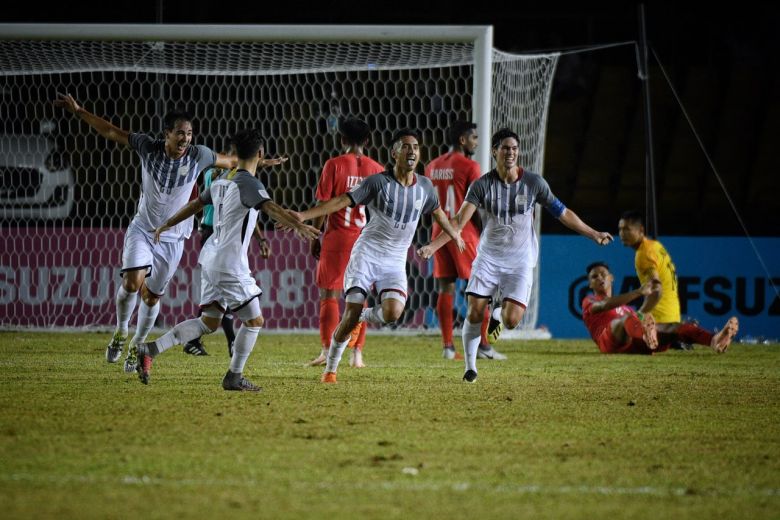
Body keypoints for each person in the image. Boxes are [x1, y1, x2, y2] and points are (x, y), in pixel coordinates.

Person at [53, 93, 237, 370]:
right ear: (166, 134)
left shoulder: (200, 155)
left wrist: (256, 163)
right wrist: (79, 111)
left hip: (174, 238)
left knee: (151, 296)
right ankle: (120, 331)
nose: (185, 139)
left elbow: (232, 162)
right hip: (143, 230)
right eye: (179, 133)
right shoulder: (147, 147)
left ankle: (137, 345)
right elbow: (111, 131)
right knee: (131, 283)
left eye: (189, 133)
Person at [418, 128, 613, 383]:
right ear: (494, 151)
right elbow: (458, 221)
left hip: (520, 261)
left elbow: (563, 212)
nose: (510, 153)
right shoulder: (482, 185)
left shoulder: (534, 183)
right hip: (488, 257)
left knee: (510, 321)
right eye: (505, 148)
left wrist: (593, 233)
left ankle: (498, 312)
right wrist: (433, 246)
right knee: (475, 311)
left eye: (514, 148)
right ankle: (470, 367)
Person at [134, 128, 320, 389]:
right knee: (254, 321)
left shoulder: (221, 180)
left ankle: (151, 349)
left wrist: (167, 223)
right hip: (229, 263)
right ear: (260, 153)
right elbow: (270, 208)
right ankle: (234, 376)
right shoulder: (250, 184)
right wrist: (299, 225)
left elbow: (195, 204)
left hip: (210, 257)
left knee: (208, 321)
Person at [289, 129, 465, 384]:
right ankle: (331, 368)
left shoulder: (425, 186)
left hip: (394, 261)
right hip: (367, 255)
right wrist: (305, 216)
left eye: (415, 146)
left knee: (393, 313)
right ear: (394, 153)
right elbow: (341, 200)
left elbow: (438, 213)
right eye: (405, 146)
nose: (412, 151)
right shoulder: (377, 182)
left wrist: (451, 237)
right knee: (348, 313)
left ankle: (361, 316)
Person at [182, 145, 279, 358]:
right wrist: (263, 238)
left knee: (216, 304)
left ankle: (196, 341)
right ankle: (230, 343)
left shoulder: (212, 171)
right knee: (225, 296)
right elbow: (240, 209)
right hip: (219, 233)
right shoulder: (234, 178)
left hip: (210, 231)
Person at [306, 117, 385, 369]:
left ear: (341, 139)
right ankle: (357, 354)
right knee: (360, 295)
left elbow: (322, 206)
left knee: (329, 293)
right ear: (367, 140)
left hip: (337, 237)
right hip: (365, 238)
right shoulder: (378, 169)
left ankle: (327, 350)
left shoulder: (334, 165)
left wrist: (315, 235)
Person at [424, 120, 497, 360]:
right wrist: (483, 233)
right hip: (463, 232)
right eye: (474, 137)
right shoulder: (470, 166)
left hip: (438, 231)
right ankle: (484, 346)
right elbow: (475, 207)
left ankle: (447, 347)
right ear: (463, 140)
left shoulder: (432, 166)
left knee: (446, 287)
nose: (476, 142)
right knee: (480, 288)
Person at [581, 261, 739, 354]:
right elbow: (604, 305)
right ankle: (646, 336)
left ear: (611, 278)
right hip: (610, 344)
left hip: (636, 344)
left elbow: (643, 320)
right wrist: (638, 292)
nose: (599, 277)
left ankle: (714, 340)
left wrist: (670, 336)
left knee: (672, 326)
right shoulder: (590, 300)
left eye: (603, 274)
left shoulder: (627, 309)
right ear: (589, 284)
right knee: (624, 321)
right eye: (594, 277)